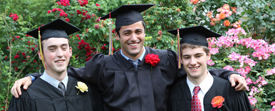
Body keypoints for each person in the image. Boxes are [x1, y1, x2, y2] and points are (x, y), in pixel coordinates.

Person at [11, 4, 247, 111]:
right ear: (118, 35)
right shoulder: (103, 65)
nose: (133, 37)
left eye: (138, 31)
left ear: (145, 32)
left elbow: (196, 70)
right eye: (127, 33)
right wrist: (32, 77)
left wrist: (228, 73)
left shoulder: (165, 59)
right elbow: (65, 72)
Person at [8, 19, 103, 111]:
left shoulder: (88, 91)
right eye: (52, 49)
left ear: (70, 51)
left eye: (64, 48)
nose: (60, 54)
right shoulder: (25, 95)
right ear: (41, 55)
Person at [167, 26, 252, 111]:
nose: (192, 62)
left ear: (208, 55)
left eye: (198, 56)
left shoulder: (231, 91)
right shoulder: (174, 93)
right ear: (181, 59)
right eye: (187, 57)